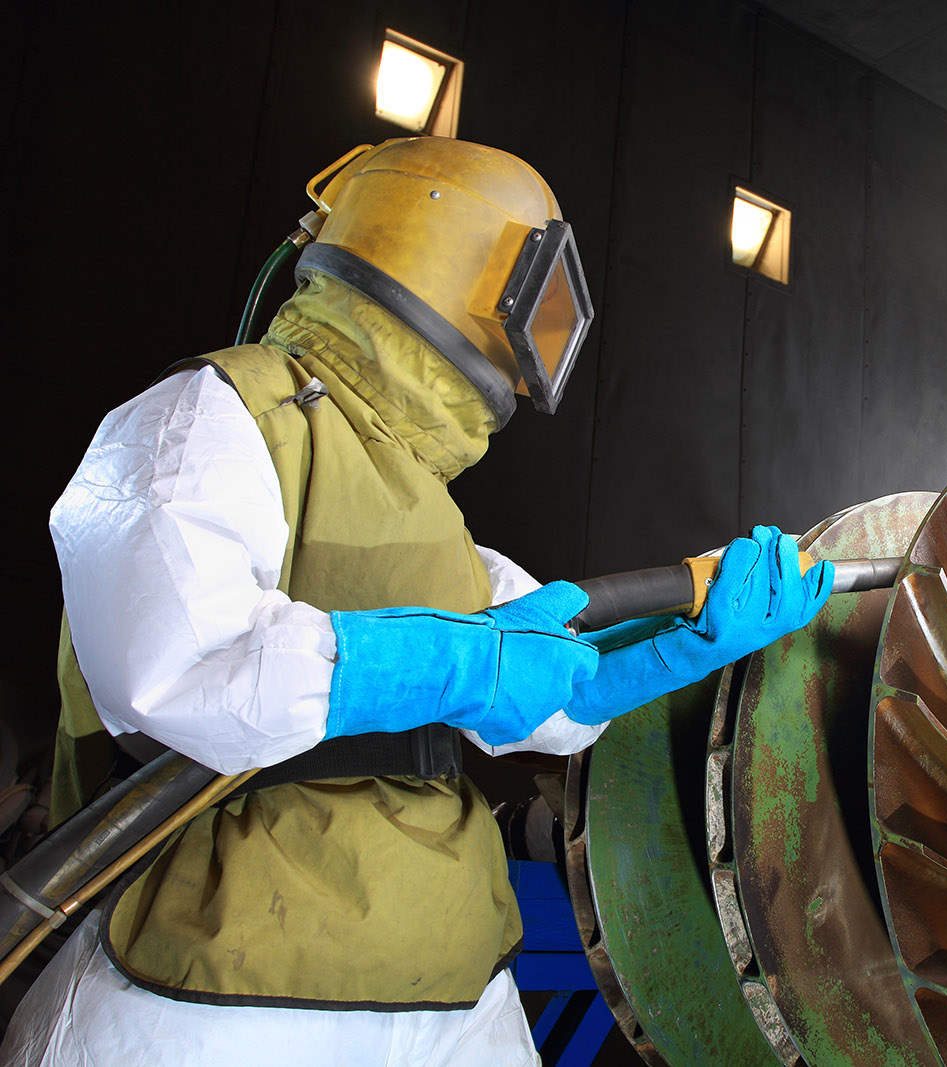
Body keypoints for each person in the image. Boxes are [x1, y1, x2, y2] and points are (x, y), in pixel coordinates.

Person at [2, 137, 832, 1066]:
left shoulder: (434, 520)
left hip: (447, 973)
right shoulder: (211, 414)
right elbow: (172, 668)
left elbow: (553, 695)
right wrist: (458, 661)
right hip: (211, 976)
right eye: (530, 297)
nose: (528, 353)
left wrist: (685, 640)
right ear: (442, 251)